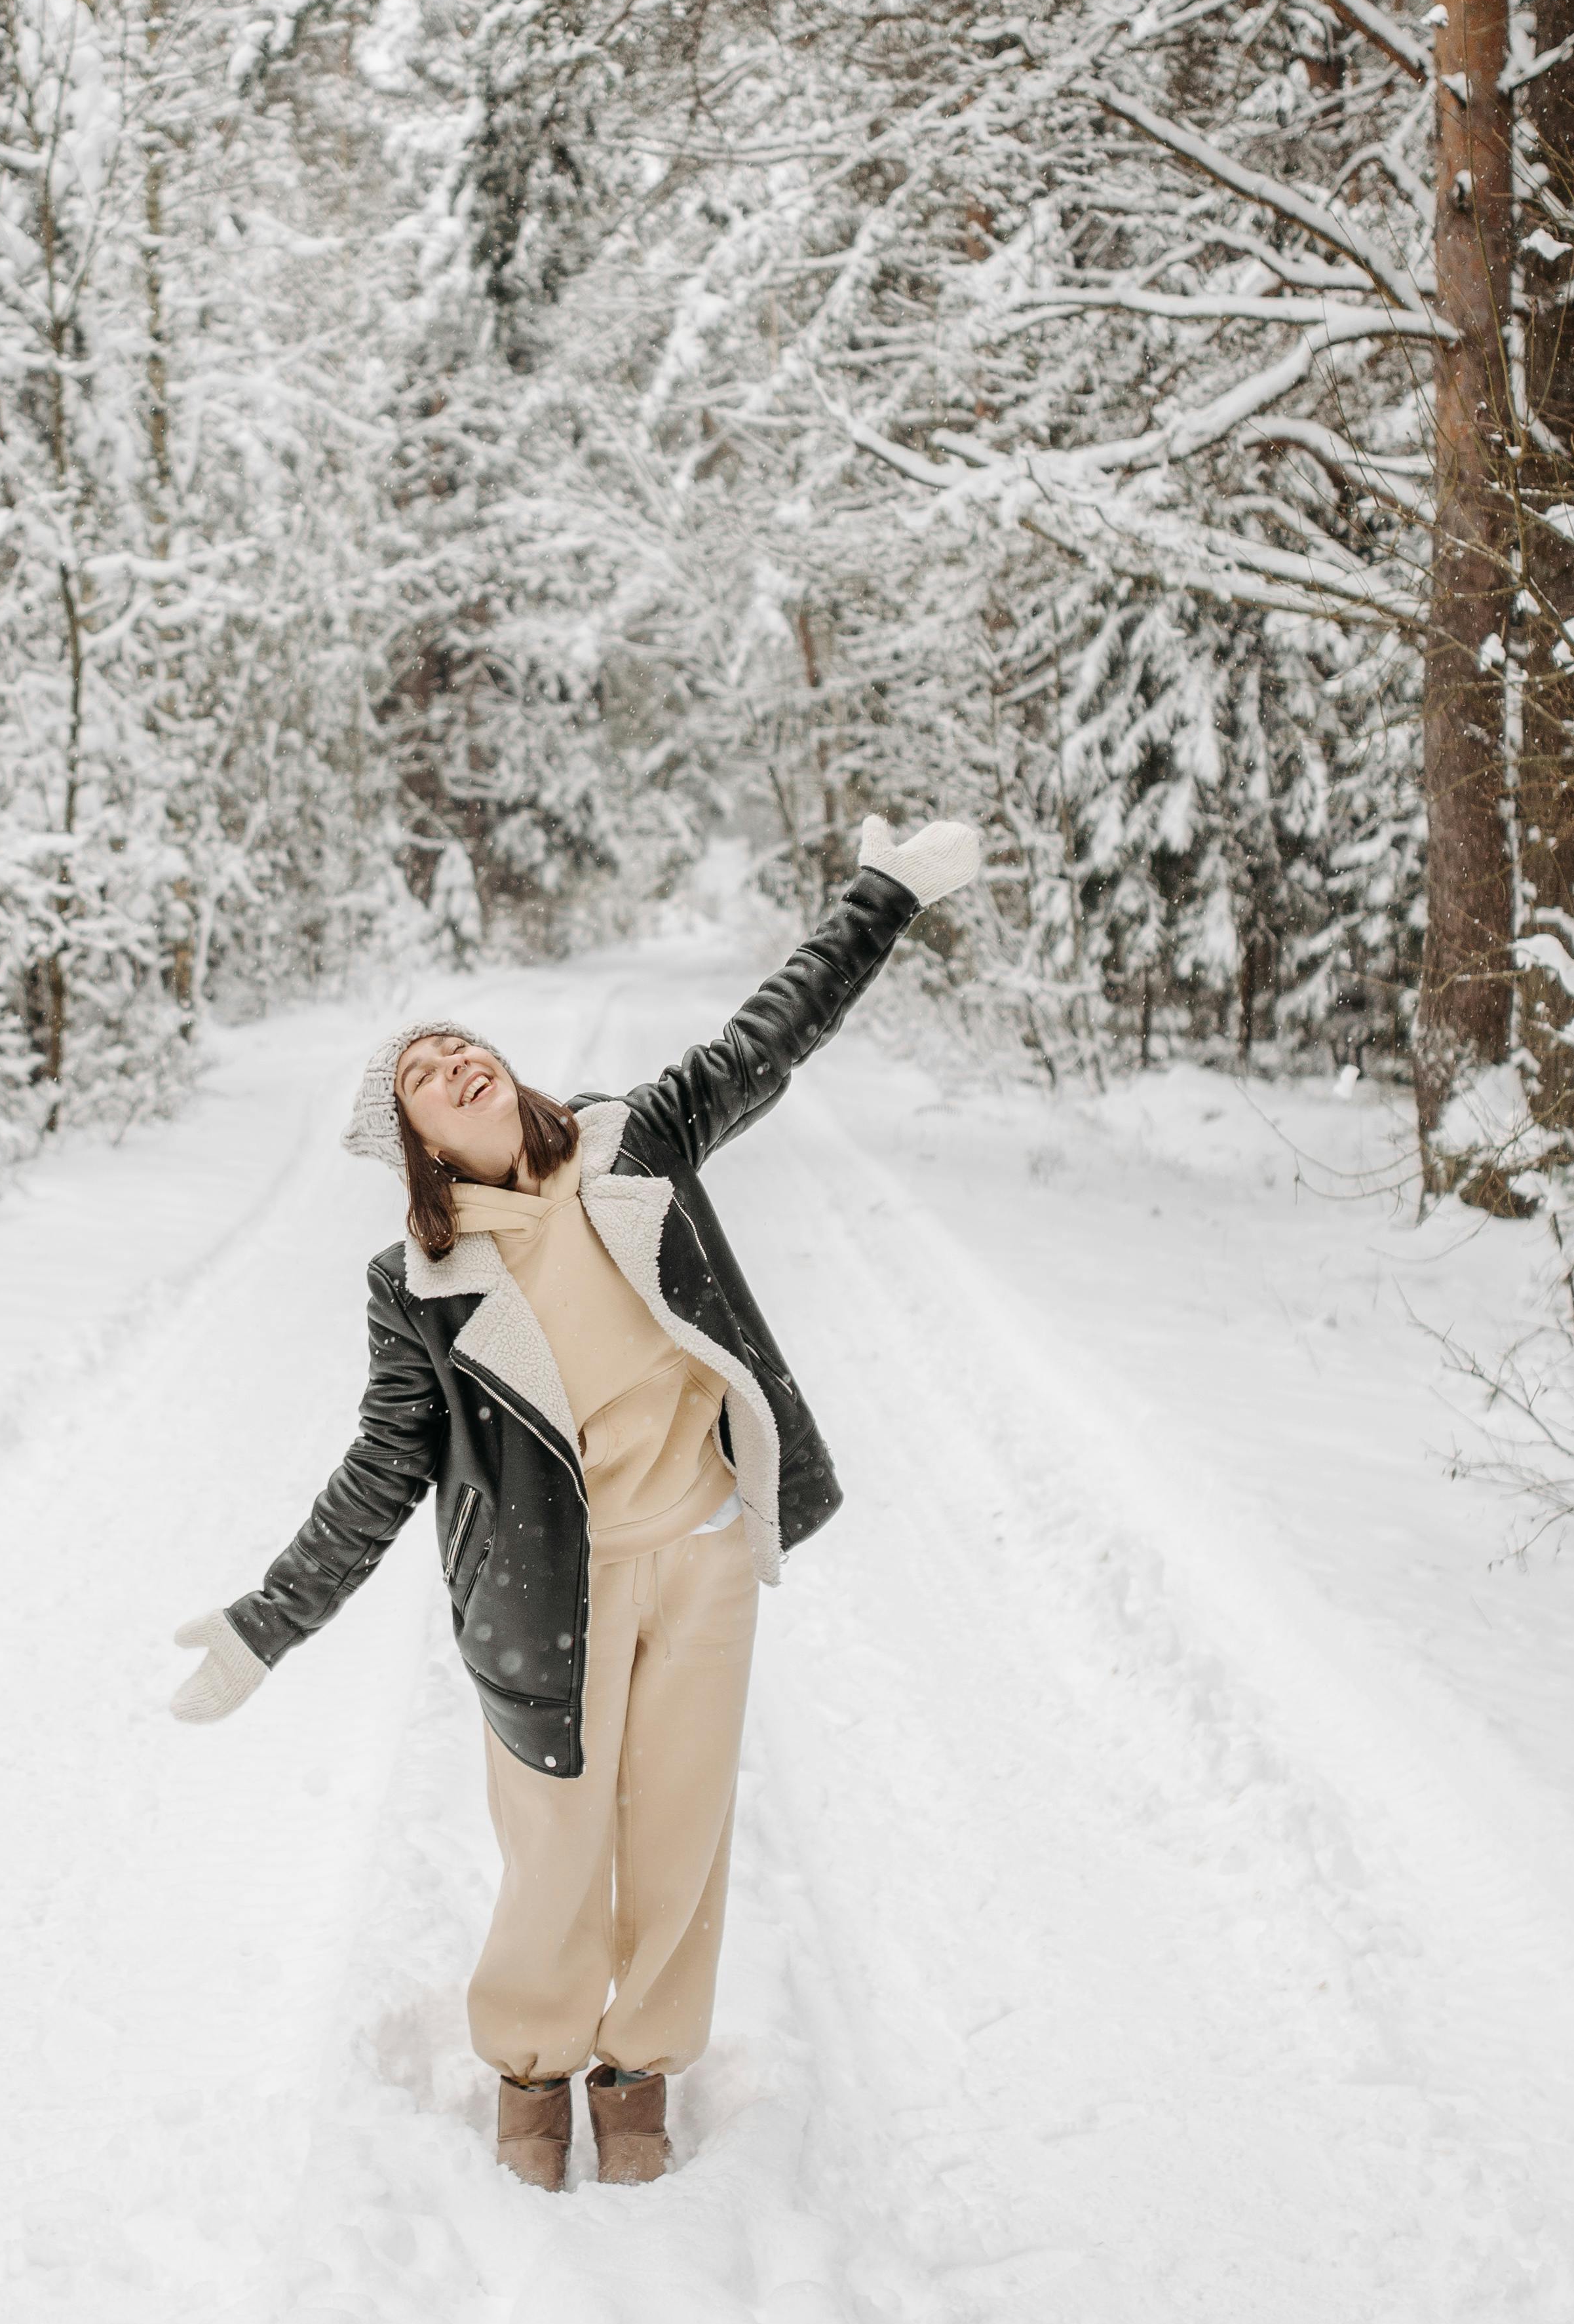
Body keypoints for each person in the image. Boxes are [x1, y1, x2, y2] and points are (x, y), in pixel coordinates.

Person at [169, 811, 982, 2188]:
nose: (456, 1061)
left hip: (704, 1556)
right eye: (425, 1072)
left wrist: (885, 895)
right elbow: (380, 1470)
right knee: (556, 1846)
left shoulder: (635, 1144)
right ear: (418, 1142)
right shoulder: (418, 1289)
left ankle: (641, 2066)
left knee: (678, 1827)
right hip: (548, 1597)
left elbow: (768, 1034)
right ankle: (534, 2066)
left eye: (460, 1046)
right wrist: (266, 1624)